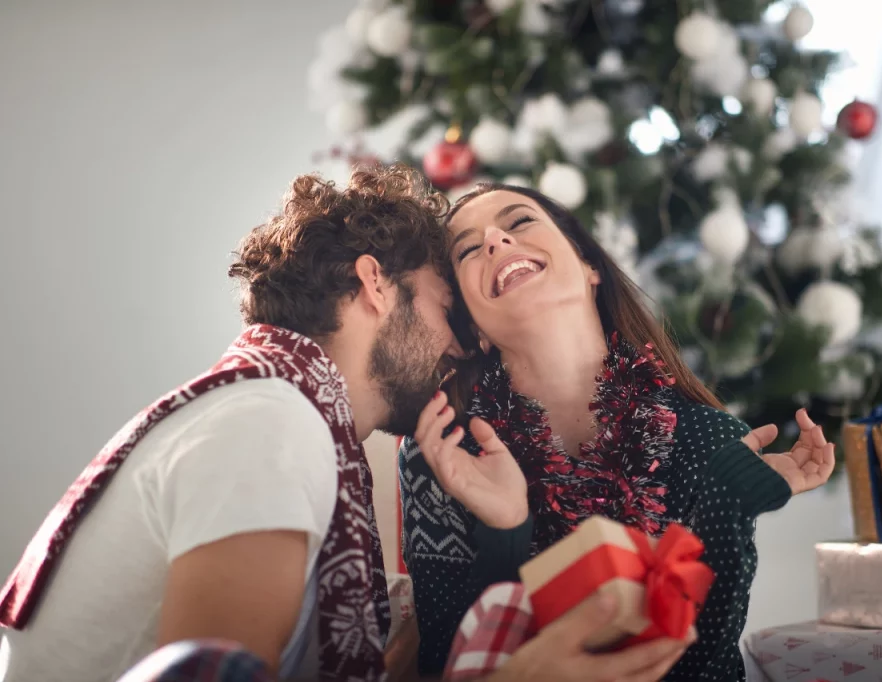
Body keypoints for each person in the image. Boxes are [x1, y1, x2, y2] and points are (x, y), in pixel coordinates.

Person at [0, 166, 695, 682]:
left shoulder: (279, 417)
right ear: (375, 284)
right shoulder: (268, 426)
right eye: (444, 309)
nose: (459, 347)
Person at [399, 183, 836, 681]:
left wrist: (728, 502)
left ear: (589, 268)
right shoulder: (445, 451)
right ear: (473, 324)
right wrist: (505, 530)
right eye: (469, 249)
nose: (496, 239)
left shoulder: (708, 441)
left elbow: (703, 668)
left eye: (519, 222)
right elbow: (445, 665)